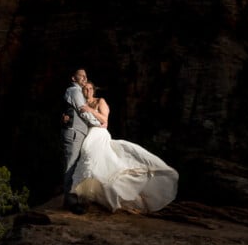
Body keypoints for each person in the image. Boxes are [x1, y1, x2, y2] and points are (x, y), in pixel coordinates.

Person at [71, 83, 178, 213]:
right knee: (89, 163)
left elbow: (105, 120)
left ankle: (87, 199)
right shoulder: (81, 103)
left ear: (93, 90)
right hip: (87, 135)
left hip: (99, 134)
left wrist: (91, 110)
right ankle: (87, 198)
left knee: (92, 161)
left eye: (90, 88)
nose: (87, 91)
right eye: (85, 89)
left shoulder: (100, 101)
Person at [61, 69, 100, 213]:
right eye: (81, 75)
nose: (84, 77)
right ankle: (70, 203)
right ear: (73, 78)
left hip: (78, 133)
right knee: (70, 166)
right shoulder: (75, 91)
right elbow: (83, 111)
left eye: (86, 75)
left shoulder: (79, 93)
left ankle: (73, 199)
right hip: (74, 133)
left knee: (75, 166)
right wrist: (98, 122)